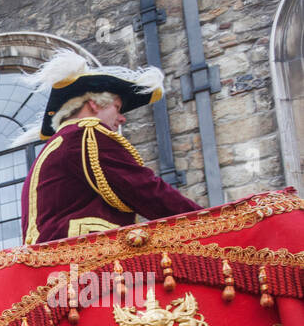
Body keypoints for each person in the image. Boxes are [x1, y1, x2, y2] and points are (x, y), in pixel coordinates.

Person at [20, 51, 199, 245]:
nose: (122, 118)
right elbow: (143, 188)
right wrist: (206, 219)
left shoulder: (57, 144)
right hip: (86, 257)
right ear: (95, 104)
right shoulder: (84, 133)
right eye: (117, 108)